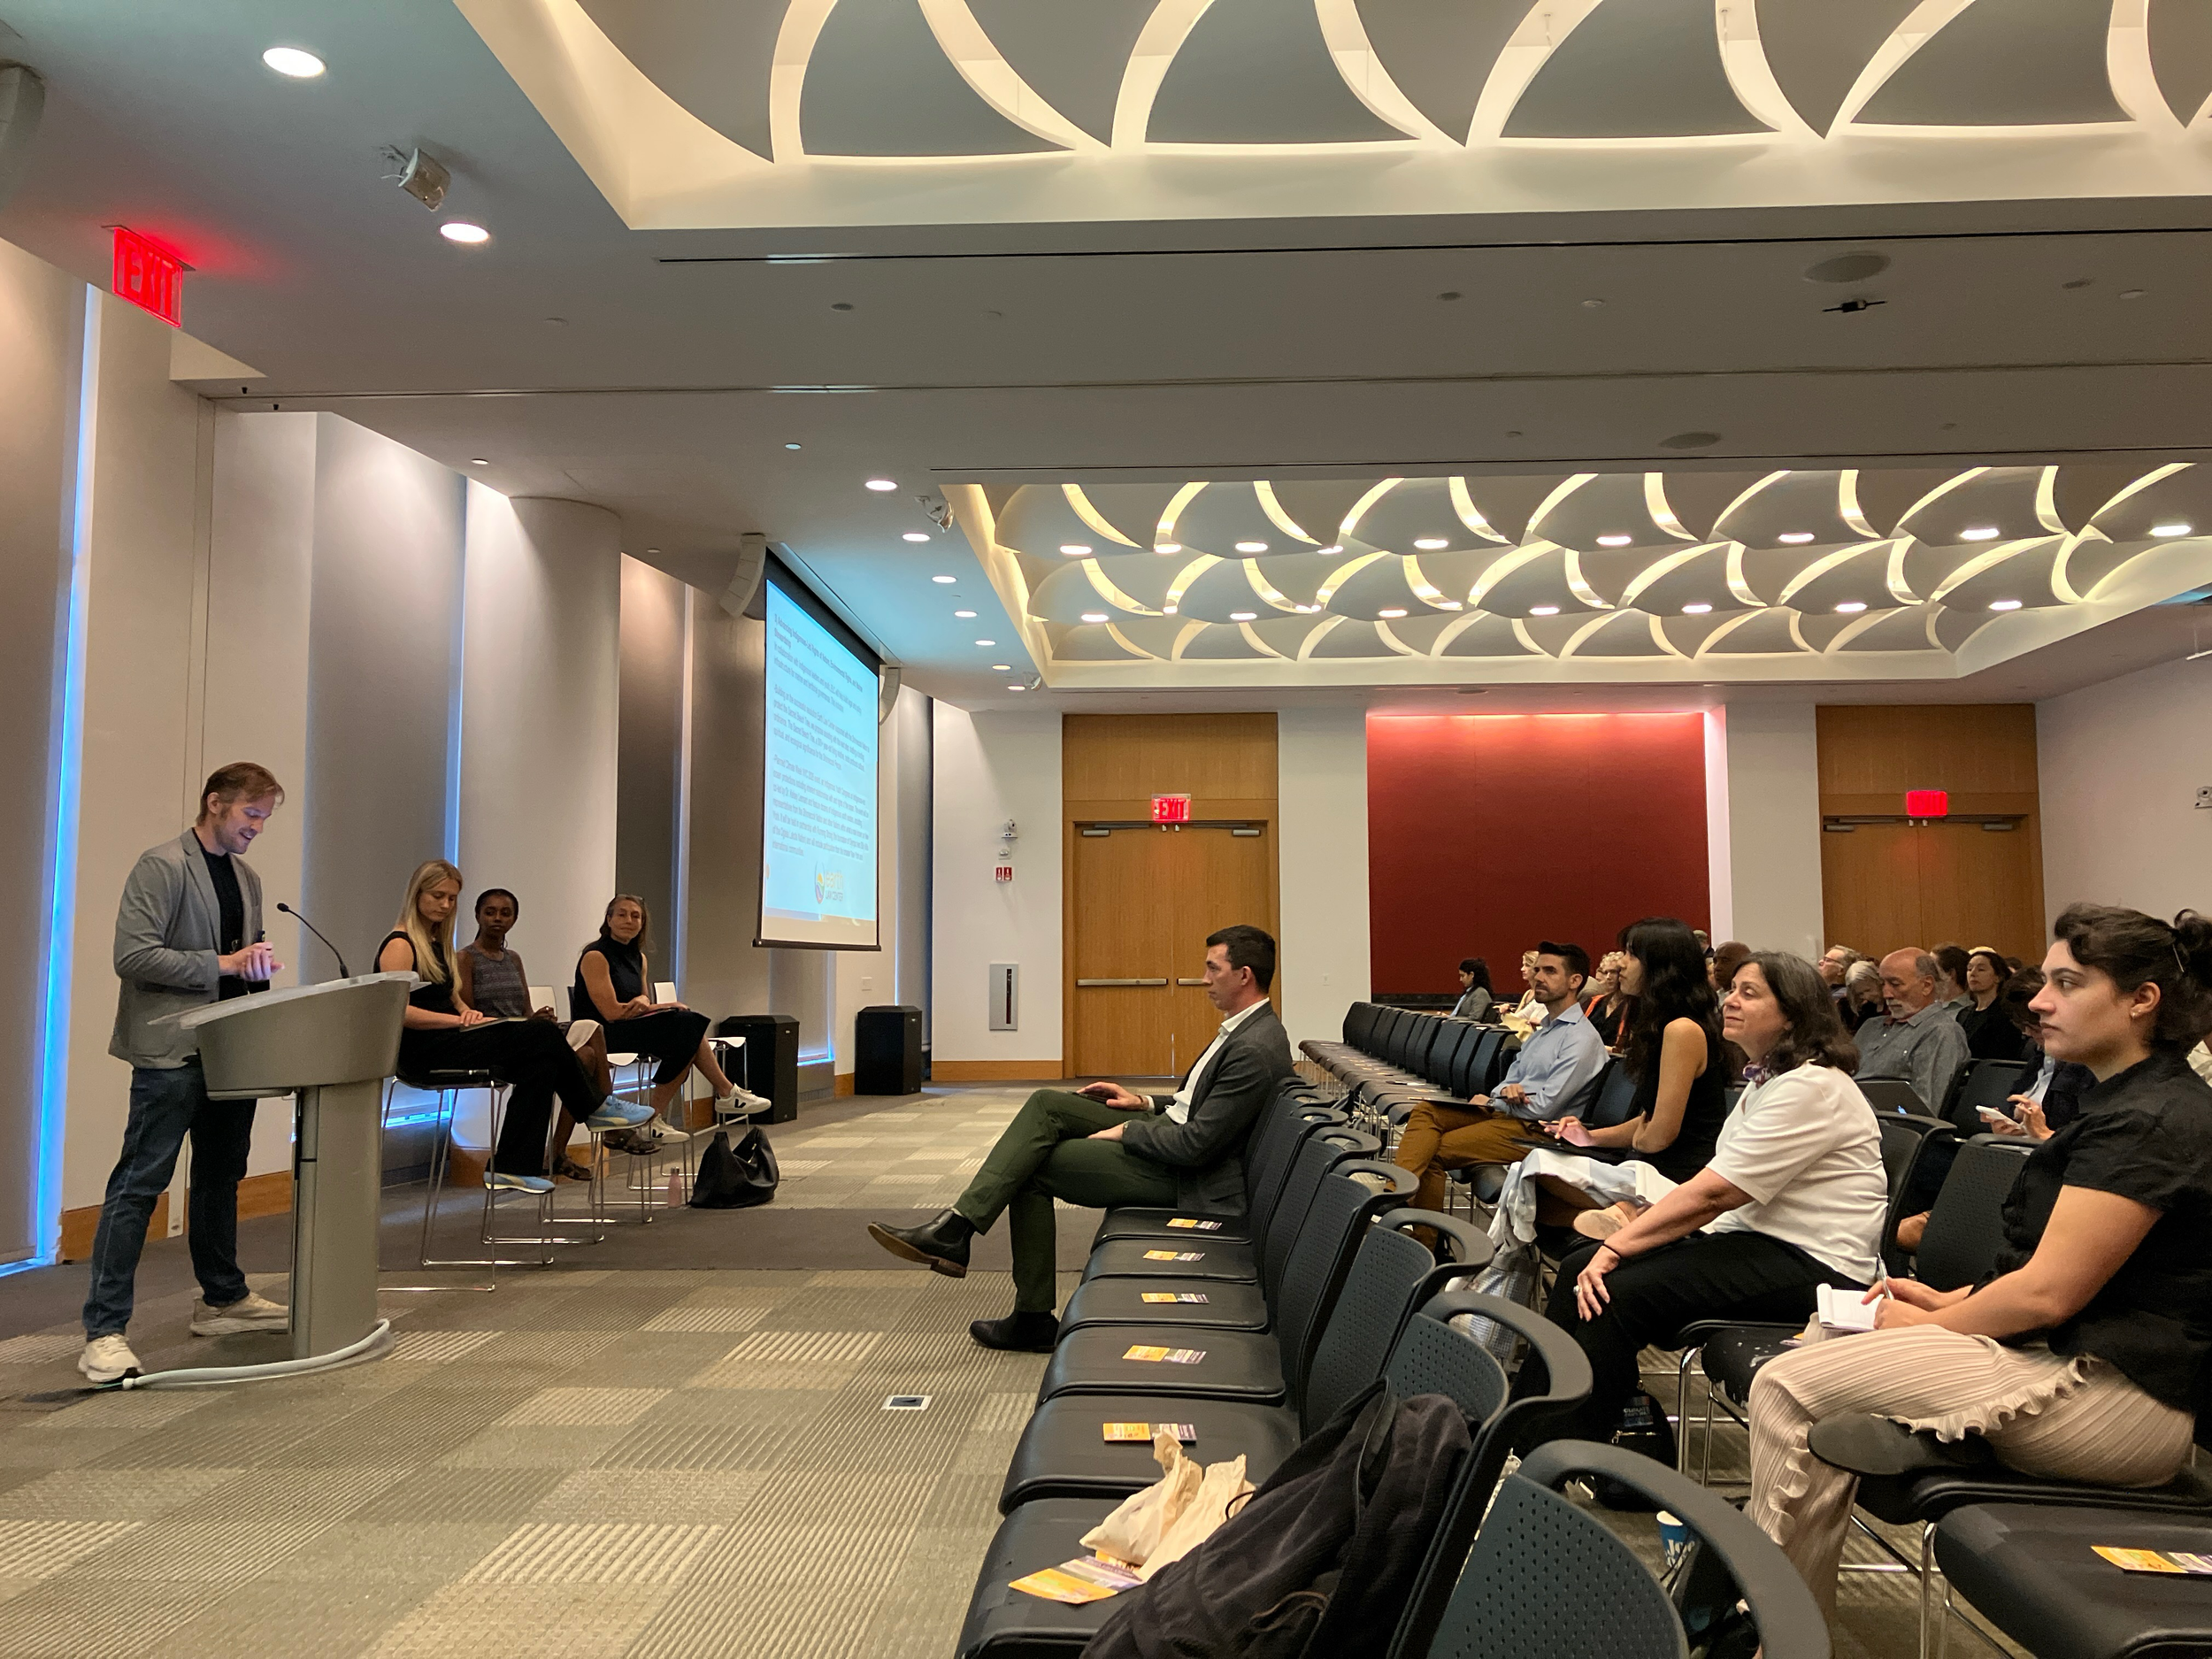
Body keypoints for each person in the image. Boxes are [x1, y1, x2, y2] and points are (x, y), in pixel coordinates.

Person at [1745, 905, 2212, 1620]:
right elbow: (2069, 1271)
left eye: (2068, 982)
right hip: (2070, 1358)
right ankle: (1779, 1610)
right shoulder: (2129, 1101)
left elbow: (2048, 1294)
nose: (2040, 999)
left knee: (1786, 1385)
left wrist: (1932, 1324)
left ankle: (1773, 1631)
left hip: (2111, 1397)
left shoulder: (2151, 1118)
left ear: (2141, 1001)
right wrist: (1942, 1301)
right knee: (1826, 1337)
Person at [865, 925, 1294, 1352]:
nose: (1203, 979)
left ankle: (1025, 1310)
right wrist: (1143, 1102)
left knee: (1031, 1170)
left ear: (1244, 975)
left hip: (1189, 1178)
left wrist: (1128, 1132)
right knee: (1046, 1104)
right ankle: (956, 1230)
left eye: (1212, 969)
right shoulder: (1245, 1031)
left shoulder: (1252, 1049)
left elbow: (1197, 1145)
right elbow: (1195, 1102)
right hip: (1169, 1135)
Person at [1539, 951, 1888, 1449]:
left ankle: (1571, 1447)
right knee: (1579, 1270)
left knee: (1610, 1292)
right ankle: (1532, 1425)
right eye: (1734, 990)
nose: (1731, 1001)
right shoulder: (1769, 1081)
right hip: (1761, 1243)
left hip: (1819, 1266)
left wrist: (1620, 1245)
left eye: (1751, 993)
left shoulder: (1814, 1087)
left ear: (1792, 1012)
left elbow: (1717, 1193)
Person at [81, 764, 294, 1383]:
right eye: (251, 815)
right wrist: (225, 960)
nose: (258, 828)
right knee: (139, 1186)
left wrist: (256, 964)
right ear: (215, 803)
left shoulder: (248, 877)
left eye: (264, 818)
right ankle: (104, 1329)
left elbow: (240, 953)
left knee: (220, 1176)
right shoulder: (162, 865)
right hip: (170, 1050)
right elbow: (134, 954)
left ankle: (222, 1298)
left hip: (230, 1048)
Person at [380, 861, 650, 1192]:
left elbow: (450, 999)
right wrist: (459, 1019)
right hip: (423, 1051)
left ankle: (512, 1167)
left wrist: (474, 1015)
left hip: (451, 1038)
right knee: (542, 1033)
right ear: (417, 894)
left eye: (451, 899)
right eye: (438, 896)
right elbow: (399, 1013)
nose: (446, 905)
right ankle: (595, 1108)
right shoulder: (400, 944)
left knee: (543, 1063)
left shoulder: (436, 945)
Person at [1538, 918, 1729, 1236]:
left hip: (1674, 1176)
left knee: (1534, 1175)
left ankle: (1630, 1218)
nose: (1621, 964)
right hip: (1650, 1164)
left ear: (1661, 967)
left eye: (1630, 955)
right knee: (1533, 1184)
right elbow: (1648, 1120)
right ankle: (1624, 1219)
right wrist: (1591, 1137)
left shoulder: (1682, 1030)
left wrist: (1639, 1134)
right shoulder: (1661, 1026)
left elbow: (1659, 1135)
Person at [1393, 942, 1608, 1210]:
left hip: (1537, 1131)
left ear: (1575, 981)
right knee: (1426, 1111)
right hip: (1508, 1114)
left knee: (1433, 1152)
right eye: (1537, 969)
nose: (1538, 977)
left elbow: (1545, 1107)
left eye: (1550, 971)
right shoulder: (1544, 1032)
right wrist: (1503, 1094)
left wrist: (1499, 1100)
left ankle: (1424, 1239)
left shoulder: (1581, 1039)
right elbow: (1508, 1080)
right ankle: (1395, 1194)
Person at [572, 895, 766, 1130]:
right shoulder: (596, 956)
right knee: (687, 1028)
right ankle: (723, 1094)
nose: (629, 920)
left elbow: (641, 1008)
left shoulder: (639, 958)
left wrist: (652, 1004)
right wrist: (658, 1005)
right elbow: (612, 1013)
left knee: (686, 1036)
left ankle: (654, 1120)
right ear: (609, 920)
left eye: (636, 916)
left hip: (629, 1028)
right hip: (603, 1036)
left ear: (642, 923)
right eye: (622, 914)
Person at [458, 887, 611, 1180]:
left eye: (505, 913)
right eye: (490, 912)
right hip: (493, 1039)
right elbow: (469, 1013)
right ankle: (606, 1118)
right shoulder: (466, 958)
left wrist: (536, 1018)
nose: (497, 919)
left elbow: (525, 1010)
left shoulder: (513, 958)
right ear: (477, 915)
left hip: (525, 1034)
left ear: (515, 919)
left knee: (590, 1042)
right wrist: (525, 1024)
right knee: (578, 1055)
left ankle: (557, 1151)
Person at [1855, 948, 1971, 1111]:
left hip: (1885, 1127)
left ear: (1926, 985)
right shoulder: (1870, 1027)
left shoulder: (1940, 1032)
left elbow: (1923, 1109)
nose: (1886, 994)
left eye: (1895, 984)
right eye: (1883, 984)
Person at [1954, 946, 2024, 1062]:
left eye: (1981, 969)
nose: (1973, 974)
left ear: (1998, 977)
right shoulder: (1963, 1014)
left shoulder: (2007, 1014)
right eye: (1969, 969)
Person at [1582, 950, 1633, 1048]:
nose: (1608, 977)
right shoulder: (1597, 1002)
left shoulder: (1633, 1005)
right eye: (1606, 972)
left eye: (1613, 972)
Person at [1840, 959, 1884, 1033]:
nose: (1867, 996)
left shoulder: (1894, 1006)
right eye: (1861, 994)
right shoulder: (1866, 1010)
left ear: (1878, 981)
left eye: (1868, 990)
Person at [1932, 941, 1973, 1012]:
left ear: (1951, 974)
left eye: (1933, 969)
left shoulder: (1969, 1012)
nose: (1927, 975)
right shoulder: (1927, 1006)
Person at [1450, 957, 1494, 1023]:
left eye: (1462, 976)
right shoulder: (1470, 992)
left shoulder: (1480, 993)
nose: (1460, 979)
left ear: (1471, 975)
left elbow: (1475, 1018)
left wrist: (1451, 1020)